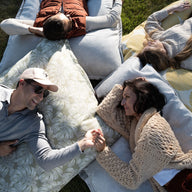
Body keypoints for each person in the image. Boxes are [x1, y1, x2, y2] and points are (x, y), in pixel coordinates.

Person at [92, 77, 192, 192]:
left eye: (127, 97)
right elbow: (106, 111)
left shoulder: (152, 130)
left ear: (142, 97)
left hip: (184, 182)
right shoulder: (137, 123)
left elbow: (131, 179)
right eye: (123, 98)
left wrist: (103, 151)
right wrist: (124, 88)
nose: (122, 102)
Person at [0, 67, 99, 171]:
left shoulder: (33, 124)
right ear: (22, 84)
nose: (41, 97)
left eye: (45, 93)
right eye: (38, 89)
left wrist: (82, 144)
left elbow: (46, 161)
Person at [0, 0, 122, 40]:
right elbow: (112, 19)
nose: (67, 15)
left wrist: (36, 30)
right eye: (68, 19)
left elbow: (5, 24)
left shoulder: (43, 23)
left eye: (59, 14)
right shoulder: (79, 23)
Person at [137, 1, 192, 72]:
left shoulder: (160, 39)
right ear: (162, 53)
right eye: (151, 46)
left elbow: (151, 21)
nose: (149, 43)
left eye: (146, 46)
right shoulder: (184, 60)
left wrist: (172, 8)